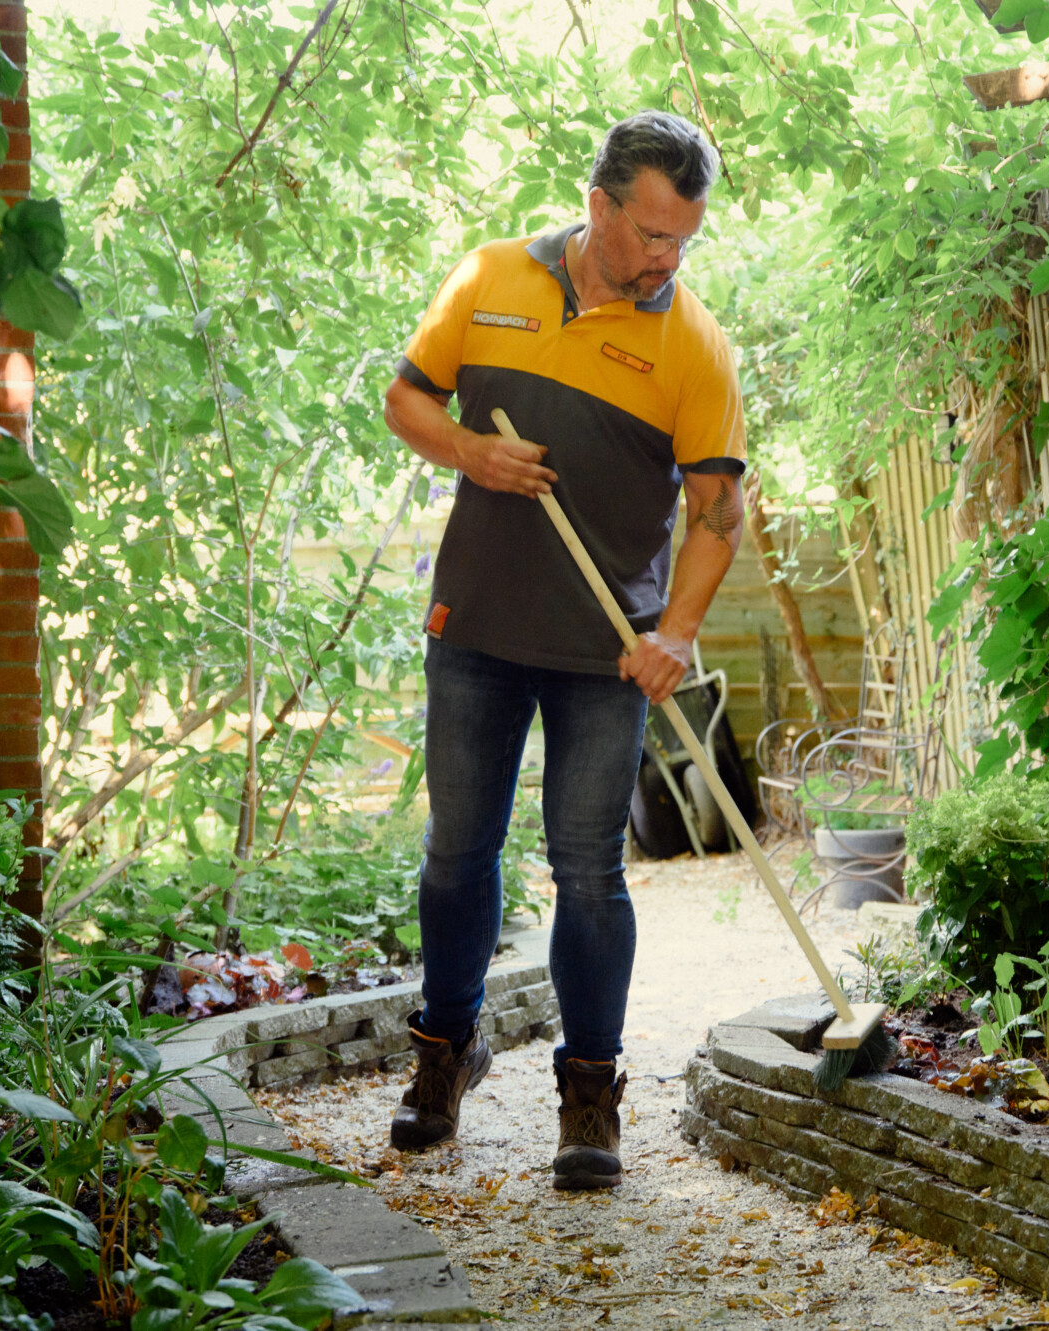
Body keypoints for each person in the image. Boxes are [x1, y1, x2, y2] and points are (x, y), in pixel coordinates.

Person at [380, 111, 746, 1191]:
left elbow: (716, 514)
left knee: (589, 871)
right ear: (597, 205)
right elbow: (404, 398)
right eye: (650, 233)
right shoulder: (489, 277)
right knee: (457, 851)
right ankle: (445, 1050)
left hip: (604, 653)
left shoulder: (693, 342)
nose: (666, 257)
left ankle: (590, 1091)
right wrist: (469, 451)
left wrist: (674, 633)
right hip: (476, 631)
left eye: (683, 239)